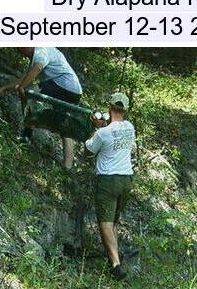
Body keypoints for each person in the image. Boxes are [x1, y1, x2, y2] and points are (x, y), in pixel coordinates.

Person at [0, 47, 83, 170]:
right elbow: (25, 78)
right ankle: (67, 166)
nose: (19, 51)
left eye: (19, 48)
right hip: (75, 91)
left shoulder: (41, 50)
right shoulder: (42, 53)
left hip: (63, 85)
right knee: (65, 126)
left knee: (31, 93)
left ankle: (26, 135)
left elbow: (37, 69)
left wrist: (22, 88)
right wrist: (3, 88)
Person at [85, 93, 135, 280]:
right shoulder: (130, 128)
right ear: (126, 109)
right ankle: (115, 256)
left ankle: (115, 265)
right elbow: (118, 135)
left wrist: (95, 128)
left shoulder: (102, 133)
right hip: (126, 180)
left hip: (108, 181)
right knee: (113, 220)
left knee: (105, 223)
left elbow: (88, 151)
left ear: (110, 107)